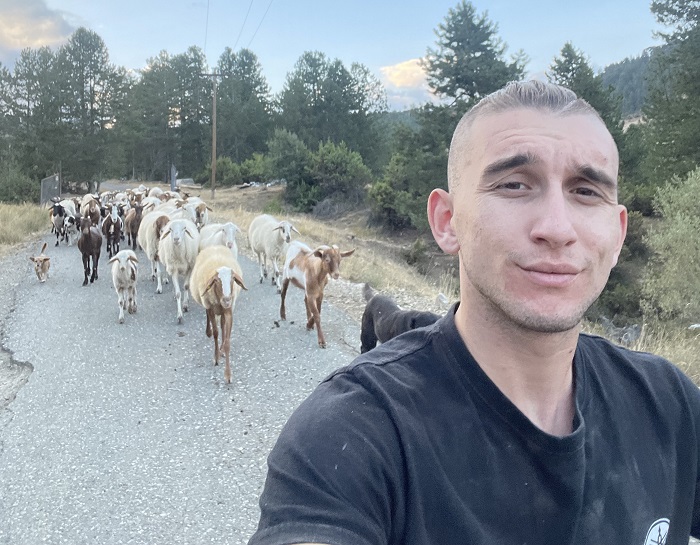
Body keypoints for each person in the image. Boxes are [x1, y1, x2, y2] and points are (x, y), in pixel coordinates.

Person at [248, 80, 700, 545]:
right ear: (447, 222)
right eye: (514, 185)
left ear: (618, 234)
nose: (557, 228)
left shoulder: (669, 404)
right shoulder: (351, 434)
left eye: (586, 192)